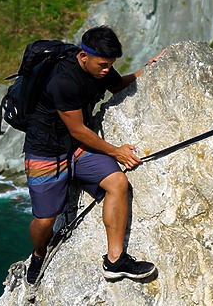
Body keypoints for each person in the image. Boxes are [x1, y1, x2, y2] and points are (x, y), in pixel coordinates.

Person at [23, 25, 165, 285]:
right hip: (46, 151)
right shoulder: (63, 81)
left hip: (77, 148)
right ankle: (38, 253)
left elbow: (118, 85)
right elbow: (78, 130)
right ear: (83, 56)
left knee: (118, 183)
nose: (107, 70)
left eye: (110, 64)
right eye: (103, 64)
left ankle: (115, 261)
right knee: (45, 222)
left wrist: (149, 68)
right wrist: (116, 152)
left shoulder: (99, 69)